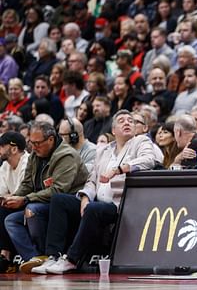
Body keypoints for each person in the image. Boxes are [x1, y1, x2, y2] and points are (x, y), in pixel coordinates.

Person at [30, 110, 157, 274]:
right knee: (59, 200)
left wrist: (119, 169)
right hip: (96, 201)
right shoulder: (103, 151)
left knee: (93, 209)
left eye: (131, 121)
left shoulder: (140, 141)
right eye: (122, 121)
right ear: (113, 131)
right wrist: (84, 197)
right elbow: (91, 180)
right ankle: (53, 256)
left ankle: (71, 260)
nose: (127, 122)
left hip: (120, 204)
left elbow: (149, 160)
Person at [3, 122, 88, 274]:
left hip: (69, 203)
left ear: (50, 139)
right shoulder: (36, 155)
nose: (33, 147)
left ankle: (49, 256)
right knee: (10, 220)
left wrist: (25, 199)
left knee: (32, 210)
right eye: (31, 143)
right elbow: (27, 183)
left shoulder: (66, 155)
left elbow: (59, 190)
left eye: (37, 143)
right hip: (44, 201)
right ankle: (34, 258)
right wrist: (14, 197)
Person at [0, 132, 29, 273]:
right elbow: (1, 192)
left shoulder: (27, 161)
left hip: (28, 203)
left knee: (3, 210)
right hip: (10, 204)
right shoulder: (5, 165)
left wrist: (8, 197)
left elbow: (23, 192)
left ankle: (5, 255)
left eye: (1, 146)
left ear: (13, 148)